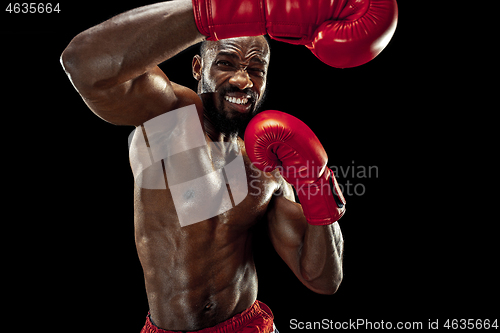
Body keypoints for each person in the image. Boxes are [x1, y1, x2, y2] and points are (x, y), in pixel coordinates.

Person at [61, 0, 397, 331]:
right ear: (198, 68)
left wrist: (319, 188)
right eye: (226, 63)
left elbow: (323, 279)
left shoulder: (266, 164)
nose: (242, 80)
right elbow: (82, 64)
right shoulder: (169, 119)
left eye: (255, 69)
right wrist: (232, 10)